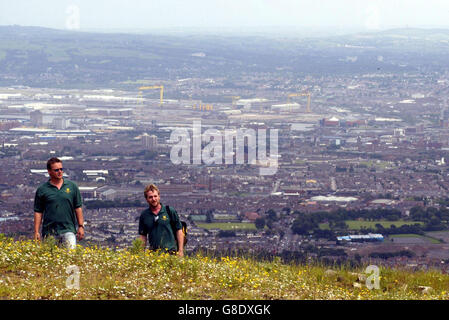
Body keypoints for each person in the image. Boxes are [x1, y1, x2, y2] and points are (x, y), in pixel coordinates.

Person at [34, 157, 85, 249]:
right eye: (56, 170)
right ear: (49, 171)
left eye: (61, 169)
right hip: (49, 231)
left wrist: (81, 226)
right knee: (51, 259)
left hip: (68, 229)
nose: (60, 172)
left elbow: (78, 207)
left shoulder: (72, 186)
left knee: (71, 255)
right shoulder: (42, 190)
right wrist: (36, 231)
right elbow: (38, 211)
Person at [138, 184, 184, 257]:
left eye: (155, 196)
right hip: (154, 255)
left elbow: (179, 230)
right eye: (150, 197)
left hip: (171, 253)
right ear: (146, 199)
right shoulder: (144, 215)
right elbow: (143, 236)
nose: (153, 199)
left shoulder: (169, 211)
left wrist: (181, 251)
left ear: (159, 196)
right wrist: (140, 254)